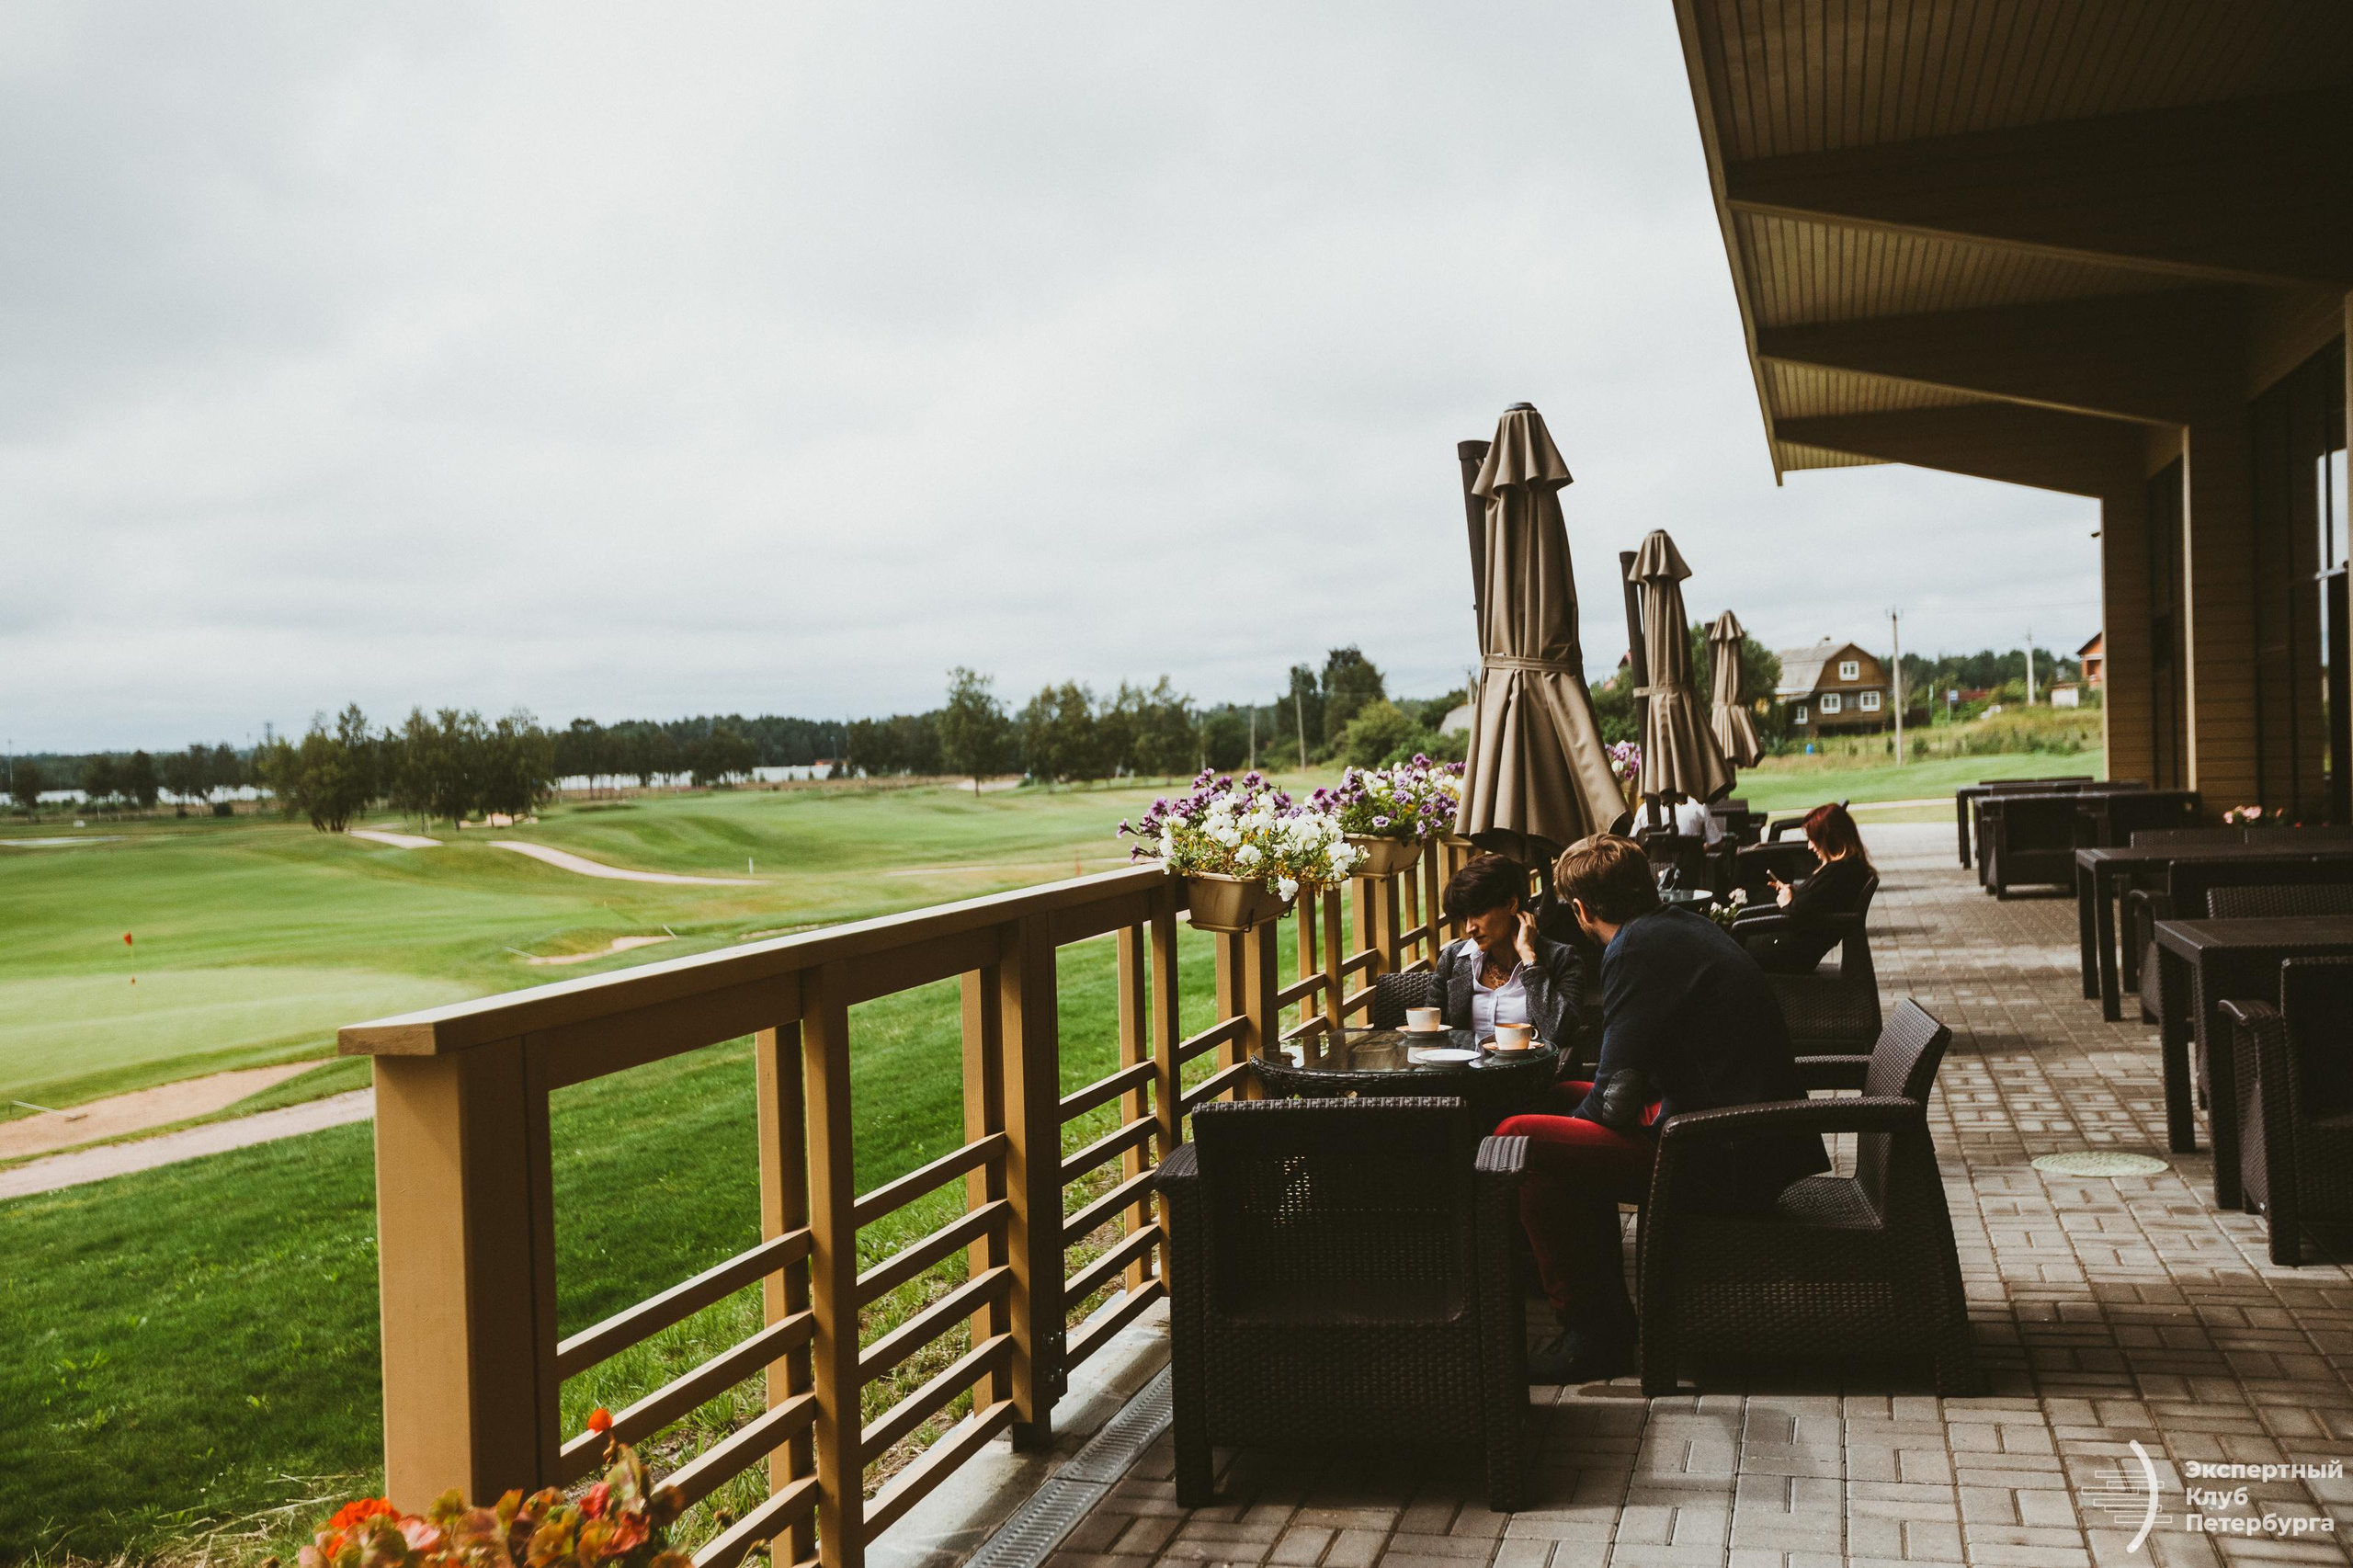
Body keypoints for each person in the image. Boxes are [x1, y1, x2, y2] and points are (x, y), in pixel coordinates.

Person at [1495, 833, 1829, 1383]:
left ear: (1580, 909)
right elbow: (1623, 1087)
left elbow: (1613, 1102)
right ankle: (1604, 1315)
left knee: (1519, 1139)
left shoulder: (1634, 948)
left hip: (1724, 1154)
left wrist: (1569, 1138)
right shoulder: (1678, 926)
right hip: (1739, 1135)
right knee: (1552, 1104)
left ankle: (1594, 1334)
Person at [1429, 853, 1581, 1051]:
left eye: (1477, 913)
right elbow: (1430, 1030)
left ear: (1511, 904)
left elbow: (1562, 1032)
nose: (1469, 928)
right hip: (1462, 1076)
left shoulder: (1562, 958)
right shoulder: (1453, 959)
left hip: (1530, 1077)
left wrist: (1530, 961)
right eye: (1464, 918)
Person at [1738, 801, 1874, 973]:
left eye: (1814, 840)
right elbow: (1819, 901)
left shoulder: (1839, 872)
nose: (1810, 846)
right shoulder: (1849, 868)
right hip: (1796, 946)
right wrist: (1794, 891)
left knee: (1728, 947)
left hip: (1790, 954)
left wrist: (1786, 901)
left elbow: (1797, 913)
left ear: (1830, 839)